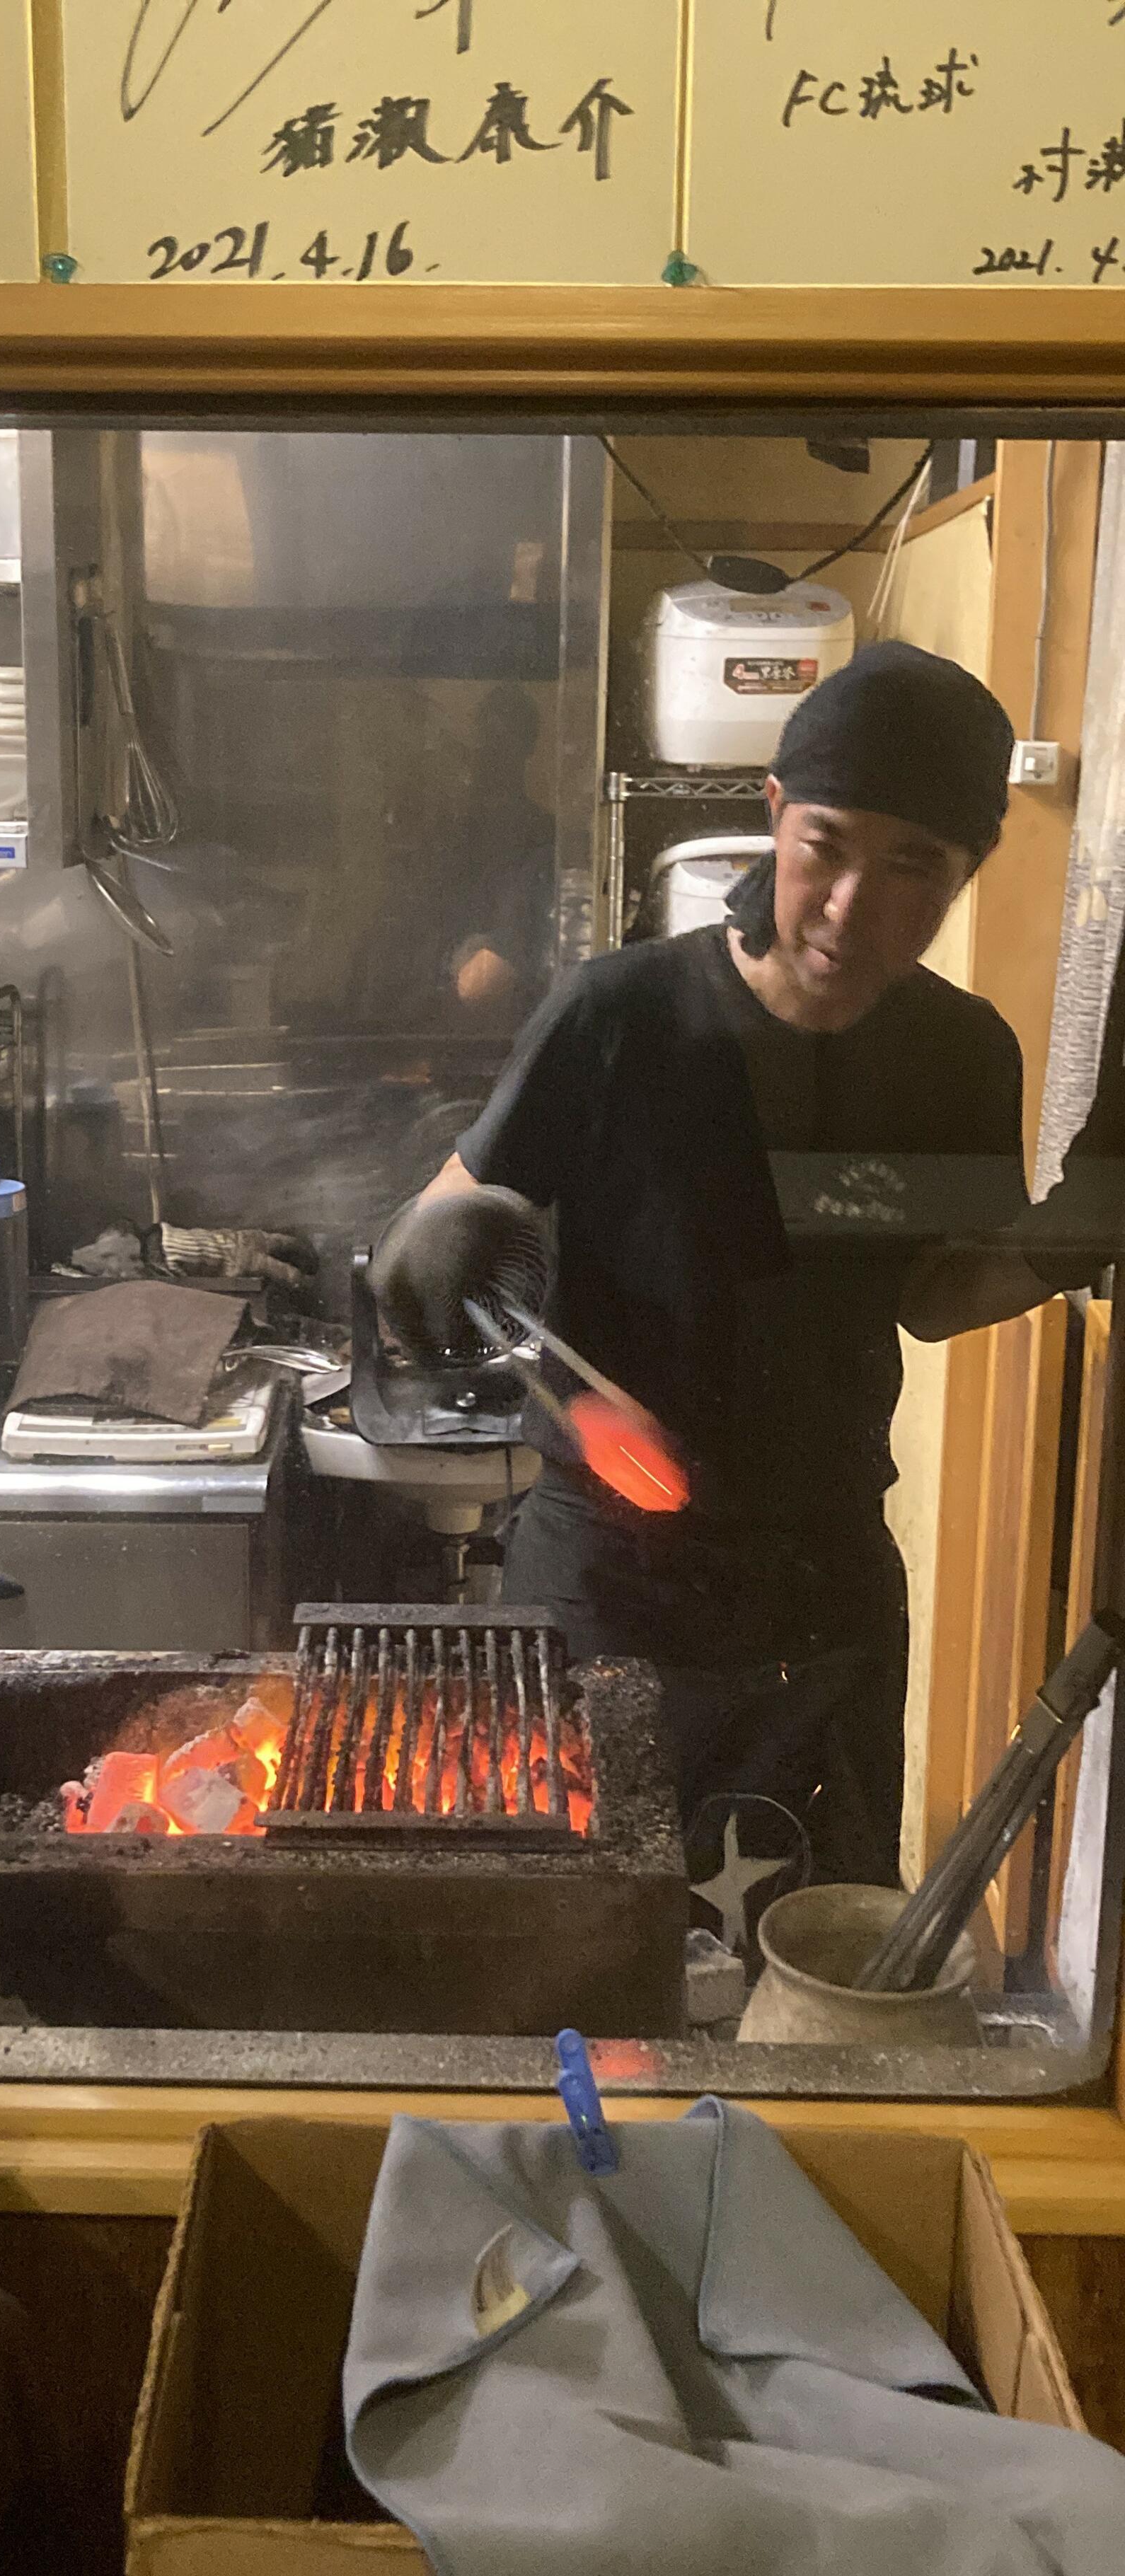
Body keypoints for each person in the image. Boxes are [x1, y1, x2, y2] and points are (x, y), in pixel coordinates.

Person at [371, 642, 1025, 1887]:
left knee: (806, 1962)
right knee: (572, 1950)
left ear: (965, 877)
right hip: (604, 1591)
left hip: (823, 1596)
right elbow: (450, 1222)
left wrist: (1072, 1242)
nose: (847, 908)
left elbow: (936, 1297)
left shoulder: (961, 1054)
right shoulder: (618, 1013)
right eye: (826, 845)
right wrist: (439, 1245)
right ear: (773, 815)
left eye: (913, 871)